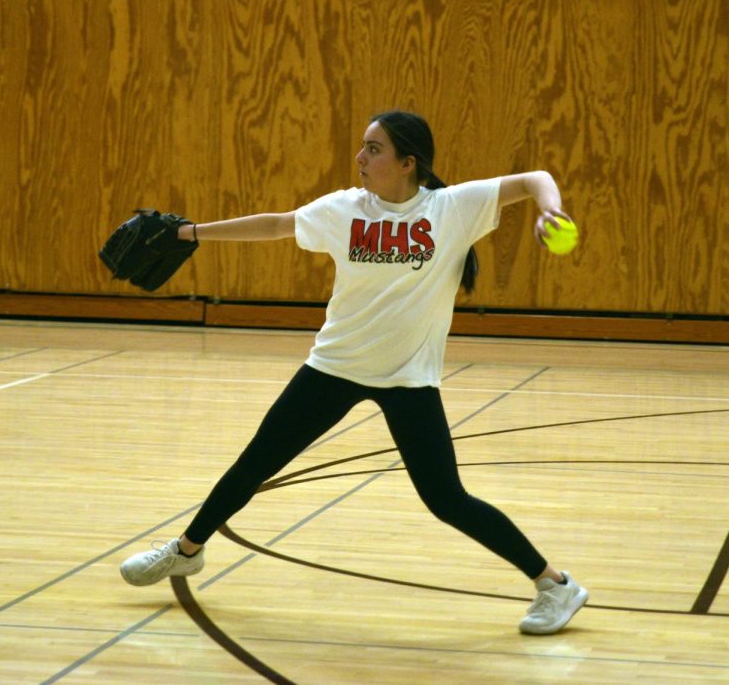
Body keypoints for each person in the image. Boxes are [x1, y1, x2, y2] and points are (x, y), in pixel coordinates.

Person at [120, 110, 588, 635]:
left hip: (408, 380)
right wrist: (190, 233)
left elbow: (534, 180)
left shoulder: (452, 209)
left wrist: (551, 210)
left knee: (445, 499)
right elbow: (277, 223)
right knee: (256, 461)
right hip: (334, 368)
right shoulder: (344, 209)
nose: (361, 158)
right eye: (363, 147)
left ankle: (557, 586)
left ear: (408, 163)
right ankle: (186, 550)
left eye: (374, 149)